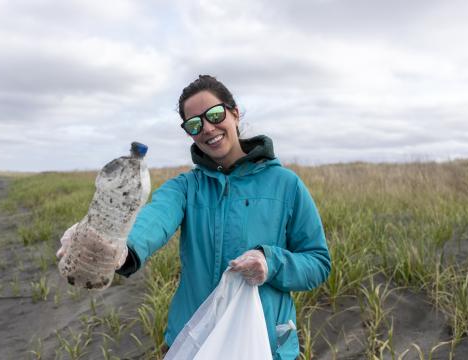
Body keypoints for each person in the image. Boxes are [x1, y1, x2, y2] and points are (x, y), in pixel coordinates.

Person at [58, 75, 331, 359]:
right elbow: (154, 220)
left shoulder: (286, 185)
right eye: (195, 124)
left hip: (265, 341)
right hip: (194, 340)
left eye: (215, 114)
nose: (208, 128)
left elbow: (318, 262)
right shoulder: (187, 187)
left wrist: (271, 261)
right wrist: (116, 247)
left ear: (234, 113)